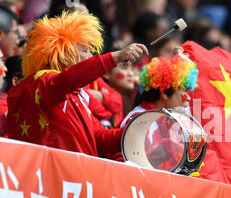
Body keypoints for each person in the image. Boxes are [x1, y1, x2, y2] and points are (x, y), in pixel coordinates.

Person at [7, 11, 148, 159]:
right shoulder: (42, 81)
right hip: (53, 176)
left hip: (78, 177)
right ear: (64, 54)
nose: (90, 56)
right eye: (85, 50)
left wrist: (136, 129)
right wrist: (116, 57)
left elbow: (100, 138)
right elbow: (66, 80)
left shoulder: (78, 95)